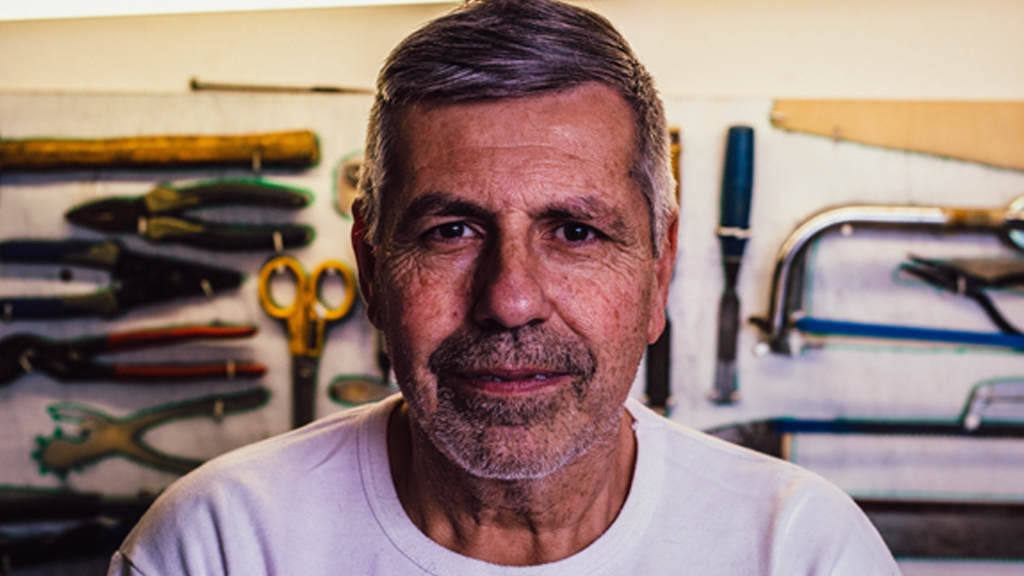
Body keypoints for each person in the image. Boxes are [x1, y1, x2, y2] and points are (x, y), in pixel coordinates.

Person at [109, 0, 900, 574]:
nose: (511, 300)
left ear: (660, 271)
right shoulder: (216, 548)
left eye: (576, 232)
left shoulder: (800, 551)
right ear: (371, 269)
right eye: (451, 231)